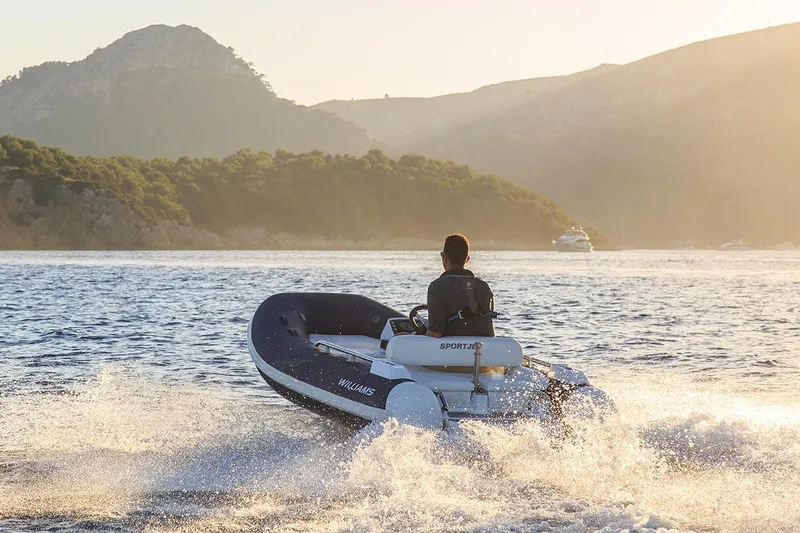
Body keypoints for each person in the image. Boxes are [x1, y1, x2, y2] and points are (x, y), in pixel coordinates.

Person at [426, 234, 496, 338]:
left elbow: (435, 333)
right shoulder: (483, 287)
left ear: (445, 258)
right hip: (484, 348)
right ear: (467, 259)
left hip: (449, 349)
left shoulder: (437, 287)